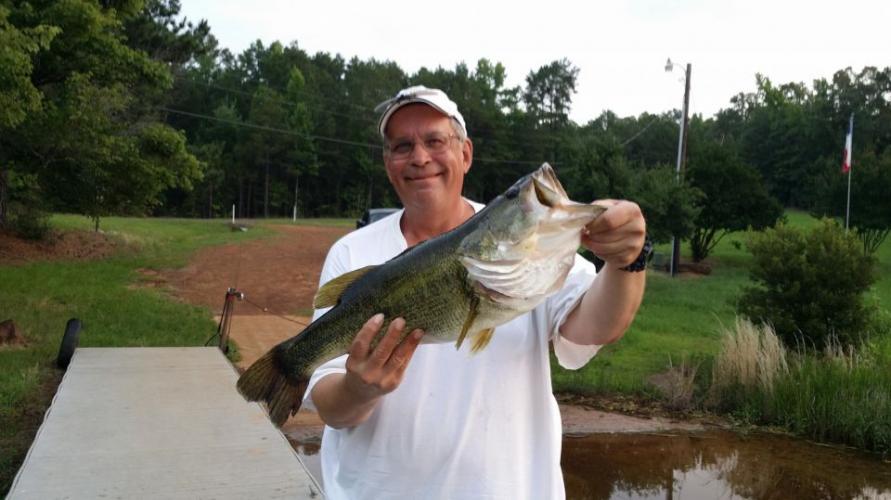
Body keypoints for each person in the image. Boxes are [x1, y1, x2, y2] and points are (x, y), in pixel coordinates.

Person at [301, 85, 647, 499]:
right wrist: (360, 390)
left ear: (465, 153)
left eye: (434, 141)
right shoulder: (352, 252)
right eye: (402, 145)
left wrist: (628, 260)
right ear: (388, 162)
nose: (419, 157)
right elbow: (328, 403)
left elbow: (598, 326)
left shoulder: (530, 252)